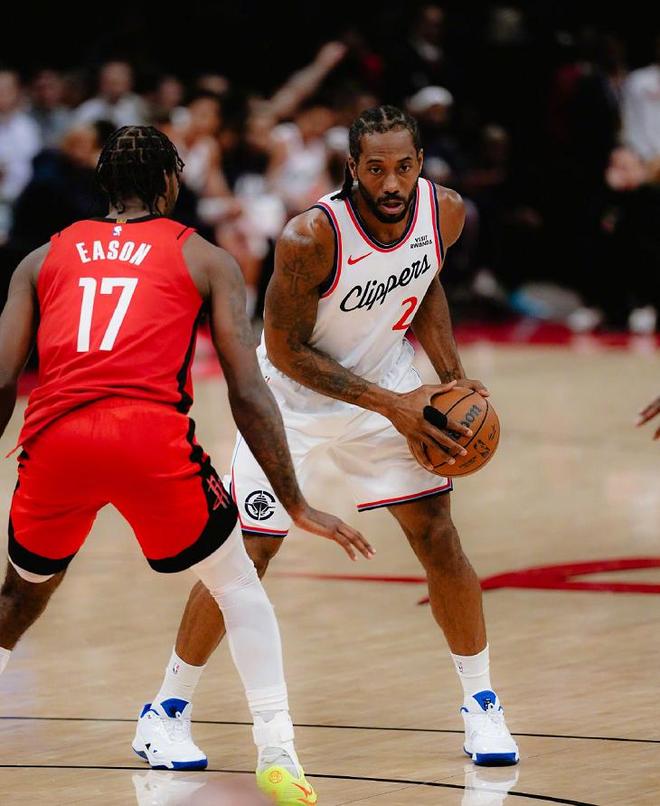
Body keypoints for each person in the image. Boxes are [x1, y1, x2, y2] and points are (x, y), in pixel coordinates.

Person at [0, 125, 374, 805]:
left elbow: (2, 381)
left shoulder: (40, 258)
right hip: (148, 441)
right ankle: (278, 751)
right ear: (172, 181)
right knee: (238, 587)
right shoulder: (205, 258)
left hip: (54, 441)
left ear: (103, 184)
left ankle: (170, 725)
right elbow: (247, 389)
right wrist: (293, 499)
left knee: (20, 596)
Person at [138, 106, 519, 771]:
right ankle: (165, 712)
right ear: (352, 169)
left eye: (404, 167)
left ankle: (482, 703)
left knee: (439, 537)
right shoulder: (310, 236)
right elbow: (286, 351)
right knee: (245, 556)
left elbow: (424, 280)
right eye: (376, 169)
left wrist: (451, 377)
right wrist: (394, 406)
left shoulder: (445, 212)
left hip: (388, 388)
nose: (392, 183)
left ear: (420, 163)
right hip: (292, 403)